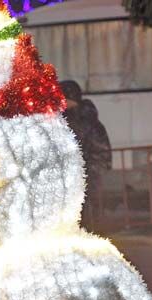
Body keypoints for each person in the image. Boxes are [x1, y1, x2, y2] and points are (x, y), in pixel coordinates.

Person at [60, 80, 111, 228]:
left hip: (87, 174)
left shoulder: (84, 121)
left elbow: (100, 151)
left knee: (87, 211)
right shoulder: (71, 118)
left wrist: (90, 172)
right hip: (77, 174)